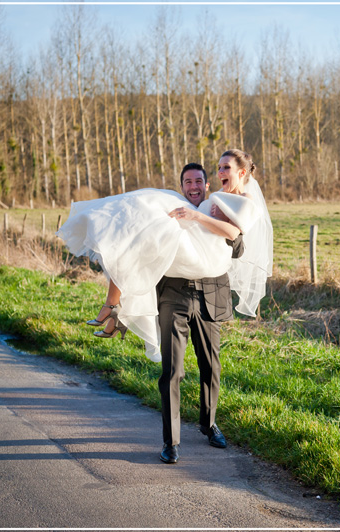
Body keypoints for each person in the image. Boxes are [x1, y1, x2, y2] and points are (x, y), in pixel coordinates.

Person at [56, 150, 273, 365]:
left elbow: (234, 234)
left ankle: (115, 307)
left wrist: (196, 216)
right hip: (194, 241)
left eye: (226, 168)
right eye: (218, 168)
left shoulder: (247, 201)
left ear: (242, 172)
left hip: (204, 254)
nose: (220, 172)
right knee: (144, 215)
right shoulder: (221, 195)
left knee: (149, 232)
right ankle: (116, 307)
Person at [157, 151, 261, 464]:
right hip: (173, 294)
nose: (194, 186)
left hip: (210, 294)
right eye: (187, 181)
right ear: (181, 187)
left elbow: (238, 247)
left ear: (205, 185)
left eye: (199, 180)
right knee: (172, 370)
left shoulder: (219, 205)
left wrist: (217, 219)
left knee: (211, 366)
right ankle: (170, 441)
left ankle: (209, 423)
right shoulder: (170, 211)